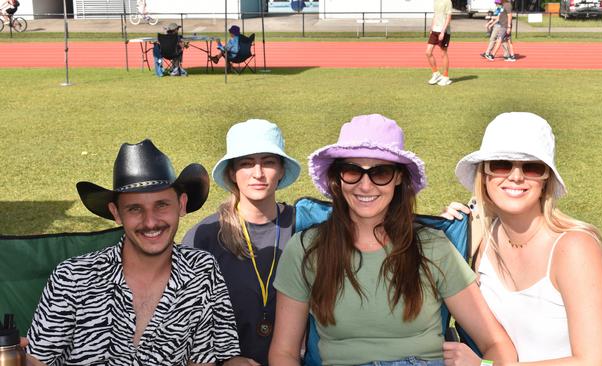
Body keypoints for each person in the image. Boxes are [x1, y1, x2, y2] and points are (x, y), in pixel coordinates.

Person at [268, 114, 516, 366]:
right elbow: (284, 353)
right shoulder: (307, 249)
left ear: (399, 178)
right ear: (338, 177)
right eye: (353, 171)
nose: (365, 186)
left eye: (381, 172)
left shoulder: (432, 247)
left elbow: (496, 344)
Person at [25, 139, 241, 365]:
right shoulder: (72, 277)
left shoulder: (202, 271)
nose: (150, 222)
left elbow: (202, 361)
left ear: (182, 204)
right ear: (116, 213)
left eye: (162, 205)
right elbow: (36, 361)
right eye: (135, 209)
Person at [441, 112, 602, 364]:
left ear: (546, 180)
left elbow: (592, 361)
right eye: (501, 163)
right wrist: (447, 230)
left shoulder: (574, 248)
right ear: (484, 174)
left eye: (532, 167)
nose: (516, 176)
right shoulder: (478, 236)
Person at [183, 119, 301, 366]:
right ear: (231, 173)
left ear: (281, 170)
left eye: (268, 162)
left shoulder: (302, 227)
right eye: (246, 164)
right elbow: (185, 332)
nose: (258, 173)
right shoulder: (204, 237)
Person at [426, 0, 453, 86]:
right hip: (435, 30)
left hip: (443, 31)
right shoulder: (435, 1)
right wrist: (432, 27)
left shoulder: (448, 1)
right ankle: (436, 74)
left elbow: (448, 17)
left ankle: (446, 76)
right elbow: (435, 15)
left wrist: (443, 31)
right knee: (428, 52)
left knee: (443, 53)